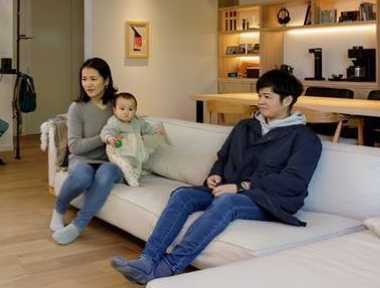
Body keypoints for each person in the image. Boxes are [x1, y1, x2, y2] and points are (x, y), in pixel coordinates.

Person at [110, 69, 322, 285]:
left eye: (267, 97)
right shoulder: (245, 127)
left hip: (269, 201)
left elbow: (293, 181)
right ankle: (147, 260)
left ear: (287, 100)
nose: (260, 101)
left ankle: (169, 266)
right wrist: (216, 174)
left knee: (228, 202)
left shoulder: (305, 139)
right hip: (228, 189)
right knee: (182, 195)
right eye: (259, 95)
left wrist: (241, 187)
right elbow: (223, 157)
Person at [50, 58, 124, 245]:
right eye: (84, 79)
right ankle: (59, 210)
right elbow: (75, 146)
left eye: (93, 79)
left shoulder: (117, 105)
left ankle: (78, 226)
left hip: (111, 162)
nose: (88, 84)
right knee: (83, 176)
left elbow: (130, 126)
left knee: (107, 172)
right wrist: (103, 137)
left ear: (106, 80)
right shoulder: (77, 108)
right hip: (82, 160)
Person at [100, 92, 157, 186]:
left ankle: (135, 175)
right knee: (125, 165)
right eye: (122, 109)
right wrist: (110, 138)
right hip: (118, 152)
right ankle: (133, 183)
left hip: (133, 152)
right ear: (114, 110)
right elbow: (106, 131)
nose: (126, 112)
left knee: (137, 165)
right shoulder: (114, 122)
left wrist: (154, 130)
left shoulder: (137, 121)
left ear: (135, 110)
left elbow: (146, 127)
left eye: (130, 109)